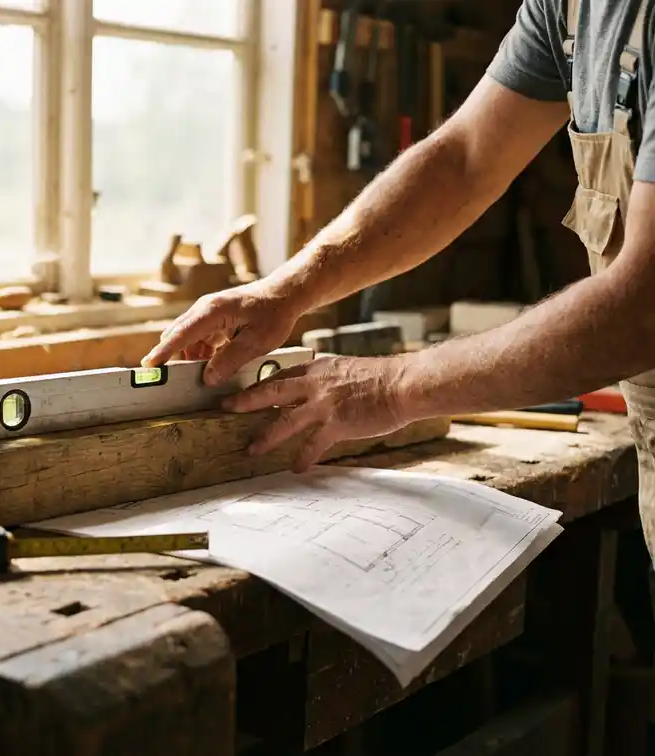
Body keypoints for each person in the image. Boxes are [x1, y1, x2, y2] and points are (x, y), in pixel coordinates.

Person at [141, 0, 655, 543]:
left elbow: (644, 308)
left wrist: (391, 388)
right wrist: (287, 290)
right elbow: (463, 159)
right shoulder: (566, 8)